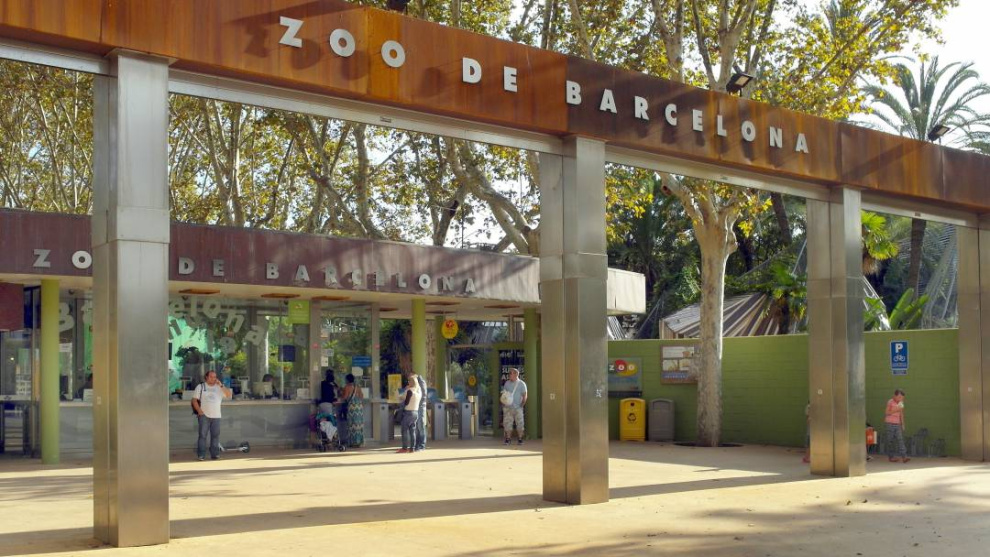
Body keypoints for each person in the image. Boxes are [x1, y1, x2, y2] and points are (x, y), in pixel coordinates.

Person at [192, 370, 232, 461]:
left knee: (215, 436)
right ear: (206, 377)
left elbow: (229, 395)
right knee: (202, 436)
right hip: (204, 416)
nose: (213, 379)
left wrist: (221, 385)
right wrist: (199, 411)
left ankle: (215, 454)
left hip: (216, 415)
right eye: (211, 377)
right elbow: (194, 400)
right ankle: (201, 455)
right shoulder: (201, 386)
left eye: (214, 377)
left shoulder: (219, 387)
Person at [501, 368, 528, 446]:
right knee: (507, 424)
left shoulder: (522, 384)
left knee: (520, 424)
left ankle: (520, 439)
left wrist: (522, 405)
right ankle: (508, 439)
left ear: (516, 374)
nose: (509, 374)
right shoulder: (507, 383)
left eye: (510, 373)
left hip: (518, 408)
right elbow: (504, 394)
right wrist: (503, 402)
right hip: (508, 407)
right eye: (509, 373)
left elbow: (525, 395)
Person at [336, 373, 364, 447]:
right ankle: (359, 442)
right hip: (359, 407)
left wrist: (340, 394)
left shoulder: (347, 387)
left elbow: (345, 397)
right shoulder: (357, 387)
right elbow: (361, 396)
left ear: (347, 380)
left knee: (352, 425)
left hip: (352, 407)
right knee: (358, 425)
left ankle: (352, 442)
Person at [397, 372, 421, 453]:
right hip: (415, 412)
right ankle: (412, 448)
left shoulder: (410, 391)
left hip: (408, 413)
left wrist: (406, 391)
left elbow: (406, 402)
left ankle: (404, 448)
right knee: (412, 431)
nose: (408, 382)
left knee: (404, 430)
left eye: (409, 381)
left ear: (412, 382)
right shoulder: (418, 392)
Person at [884, 389, 910, 463]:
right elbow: (887, 412)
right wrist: (896, 409)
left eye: (902, 398)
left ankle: (904, 457)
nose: (901, 399)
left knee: (900, 440)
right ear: (895, 396)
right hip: (889, 424)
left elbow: (901, 414)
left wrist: (903, 424)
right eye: (899, 397)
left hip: (897, 424)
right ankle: (891, 457)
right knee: (890, 441)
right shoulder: (890, 402)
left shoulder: (901, 403)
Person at [414, 372, 428, 451]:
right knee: (417, 427)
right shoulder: (416, 383)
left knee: (421, 426)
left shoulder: (421, 382)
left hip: (420, 406)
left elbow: (423, 395)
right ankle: (417, 444)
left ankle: (422, 445)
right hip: (417, 406)